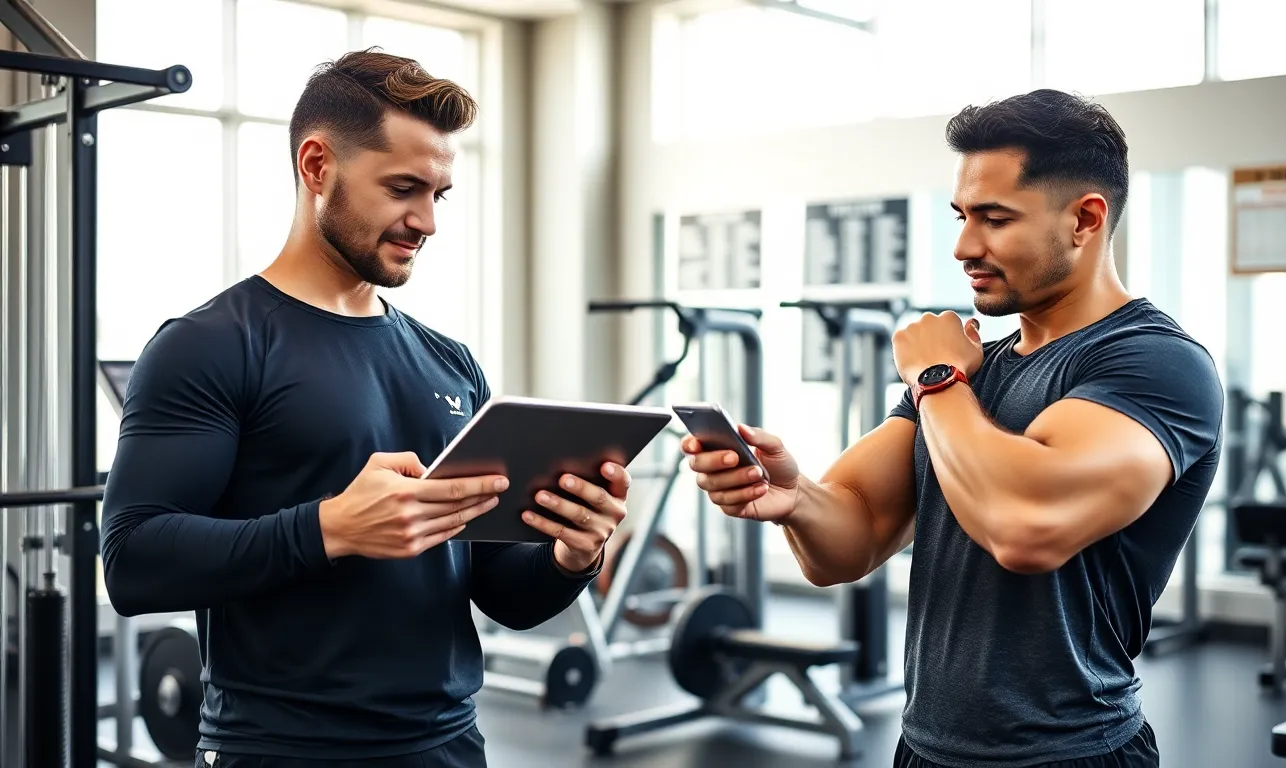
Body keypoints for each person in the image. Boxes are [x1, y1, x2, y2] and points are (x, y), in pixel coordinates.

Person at [99, 50, 628, 768]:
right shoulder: (210, 345)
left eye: (438, 195)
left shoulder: (451, 363)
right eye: (403, 188)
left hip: (449, 746)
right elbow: (132, 561)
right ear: (317, 165)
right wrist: (330, 528)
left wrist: (571, 555)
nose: (426, 221)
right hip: (281, 751)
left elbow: (499, 590)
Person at [685, 89, 1223, 768]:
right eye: (963, 216)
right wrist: (796, 499)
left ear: (1085, 219)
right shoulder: (970, 375)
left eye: (995, 219)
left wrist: (936, 378)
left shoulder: (1153, 362)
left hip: (1069, 752)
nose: (965, 246)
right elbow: (849, 544)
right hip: (925, 749)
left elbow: (1023, 526)